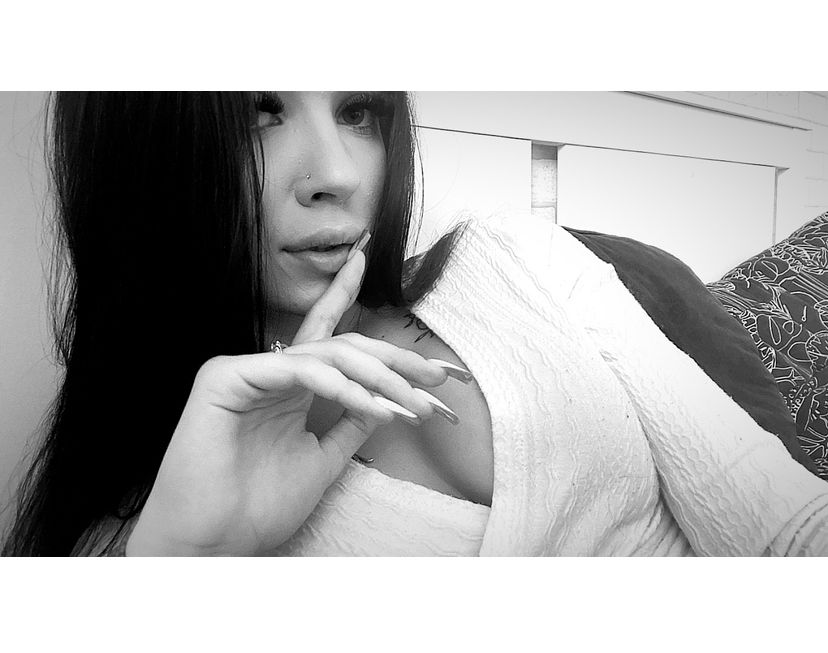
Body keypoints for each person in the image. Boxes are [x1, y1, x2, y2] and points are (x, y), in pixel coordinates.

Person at [3, 91, 828, 556]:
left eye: (358, 111)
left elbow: (784, 524)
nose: (337, 173)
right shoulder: (144, 534)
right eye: (258, 112)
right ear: (144, 158)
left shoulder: (515, 257)